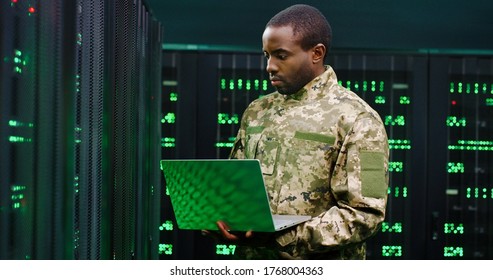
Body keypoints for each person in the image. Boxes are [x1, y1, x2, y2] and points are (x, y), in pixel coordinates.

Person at [207, 4, 389, 260]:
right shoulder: (257, 111)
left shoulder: (360, 120)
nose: (270, 66)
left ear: (316, 53)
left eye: (281, 55)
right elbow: (236, 187)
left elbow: (366, 215)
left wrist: (282, 237)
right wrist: (220, 218)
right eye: (266, 55)